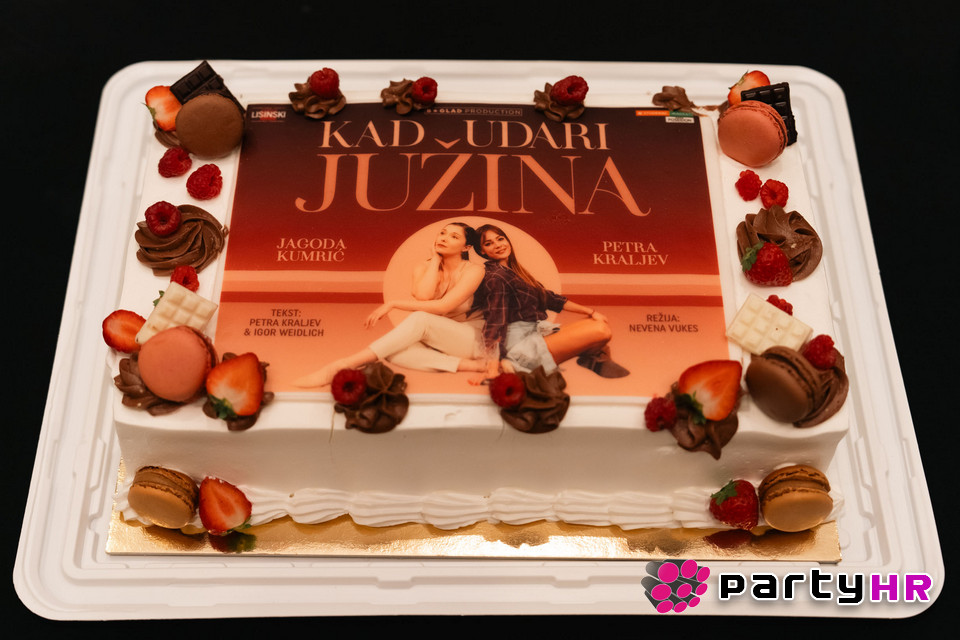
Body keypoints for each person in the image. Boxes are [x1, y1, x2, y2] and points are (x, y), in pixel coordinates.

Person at [294, 223, 488, 388]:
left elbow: (444, 307)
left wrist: (394, 303)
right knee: (393, 352)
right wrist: (435, 261)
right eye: (442, 233)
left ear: (466, 247)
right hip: (441, 341)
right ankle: (472, 366)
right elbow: (424, 296)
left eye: (454, 236)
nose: (444, 238)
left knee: (420, 318)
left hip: (474, 339)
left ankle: (343, 365)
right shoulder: (424, 267)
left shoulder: (474, 270)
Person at [470, 223, 629, 382]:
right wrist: (491, 368)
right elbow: (495, 321)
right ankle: (512, 365)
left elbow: (550, 299)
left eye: (500, 239)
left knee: (597, 323)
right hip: (519, 344)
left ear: (507, 240)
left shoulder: (515, 272)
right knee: (601, 330)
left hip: (535, 333)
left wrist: (591, 312)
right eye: (489, 243)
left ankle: (592, 357)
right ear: (482, 251)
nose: (498, 245)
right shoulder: (495, 277)